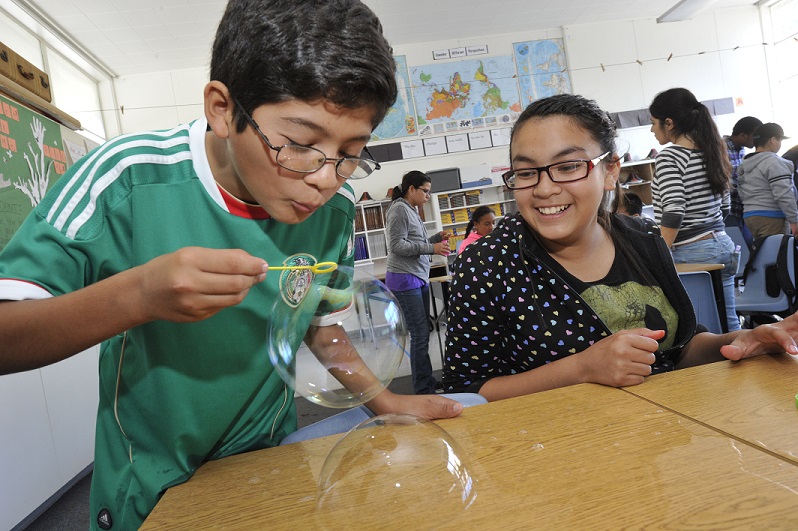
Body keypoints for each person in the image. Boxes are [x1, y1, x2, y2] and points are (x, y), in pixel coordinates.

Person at [0, 1, 463, 528]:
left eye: (351, 151)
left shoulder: (335, 211)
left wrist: (387, 401)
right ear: (222, 108)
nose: (326, 177)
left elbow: (319, 326)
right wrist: (139, 296)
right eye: (300, 145)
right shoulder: (127, 180)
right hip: (152, 484)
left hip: (269, 465)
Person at [442, 93, 798, 401]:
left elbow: (680, 349)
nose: (544, 188)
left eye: (568, 167)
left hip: (663, 439)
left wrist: (743, 339)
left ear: (611, 170)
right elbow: (467, 391)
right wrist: (582, 368)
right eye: (526, 172)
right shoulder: (487, 263)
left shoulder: (643, 238)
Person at [648, 87, 740, 332]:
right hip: (722, 244)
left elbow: (674, 210)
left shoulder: (670, 157)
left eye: (653, 123)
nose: (651, 130)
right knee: (728, 323)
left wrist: (660, 253)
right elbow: (725, 207)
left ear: (669, 123)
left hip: (692, 252)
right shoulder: (710, 151)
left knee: (700, 330)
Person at [385, 170, 452, 394]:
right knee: (420, 333)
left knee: (423, 332)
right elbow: (397, 246)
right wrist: (431, 248)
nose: (427, 196)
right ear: (411, 189)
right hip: (405, 279)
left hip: (417, 276)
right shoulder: (399, 210)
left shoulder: (412, 209)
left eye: (429, 192)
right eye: (425, 191)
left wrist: (435, 239)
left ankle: (427, 382)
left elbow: (416, 242)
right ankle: (423, 389)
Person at [738, 122, 797, 240]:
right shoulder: (774, 162)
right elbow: (784, 193)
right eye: (780, 140)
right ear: (773, 140)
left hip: (750, 216)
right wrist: (794, 220)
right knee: (778, 255)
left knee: (764, 255)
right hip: (772, 217)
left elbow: (741, 192)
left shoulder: (745, 164)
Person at [724, 116, 763, 249]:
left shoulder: (741, 149)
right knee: (738, 248)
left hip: (741, 208)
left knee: (749, 246)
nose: (758, 140)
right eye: (755, 136)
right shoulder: (720, 149)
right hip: (728, 209)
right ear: (742, 135)